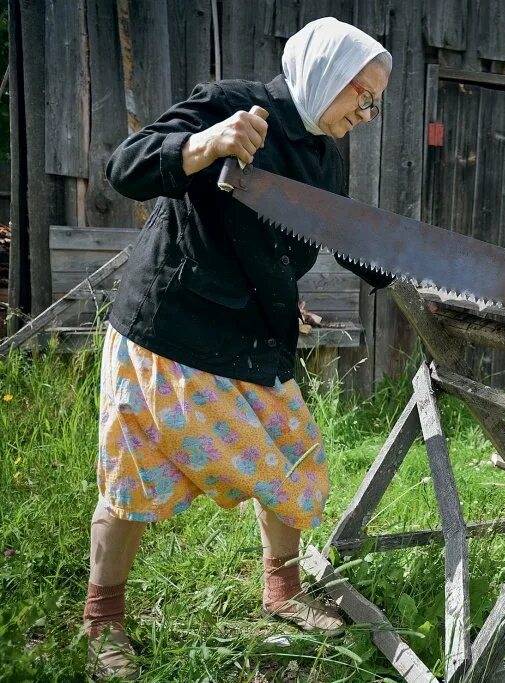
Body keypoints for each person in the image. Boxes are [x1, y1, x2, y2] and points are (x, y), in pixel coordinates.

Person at [84, 18, 394, 680]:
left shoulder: (323, 147)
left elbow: (327, 229)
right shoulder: (232, 102)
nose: (365, 114)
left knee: (295, 453)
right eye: (360, 97)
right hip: (171, 328)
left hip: (251, 332)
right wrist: (205, 143)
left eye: (372, 102)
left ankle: (281, 590)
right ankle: (102, 619)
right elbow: (125, 167)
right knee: (134, 479)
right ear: (324, 77)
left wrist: (412, 267)